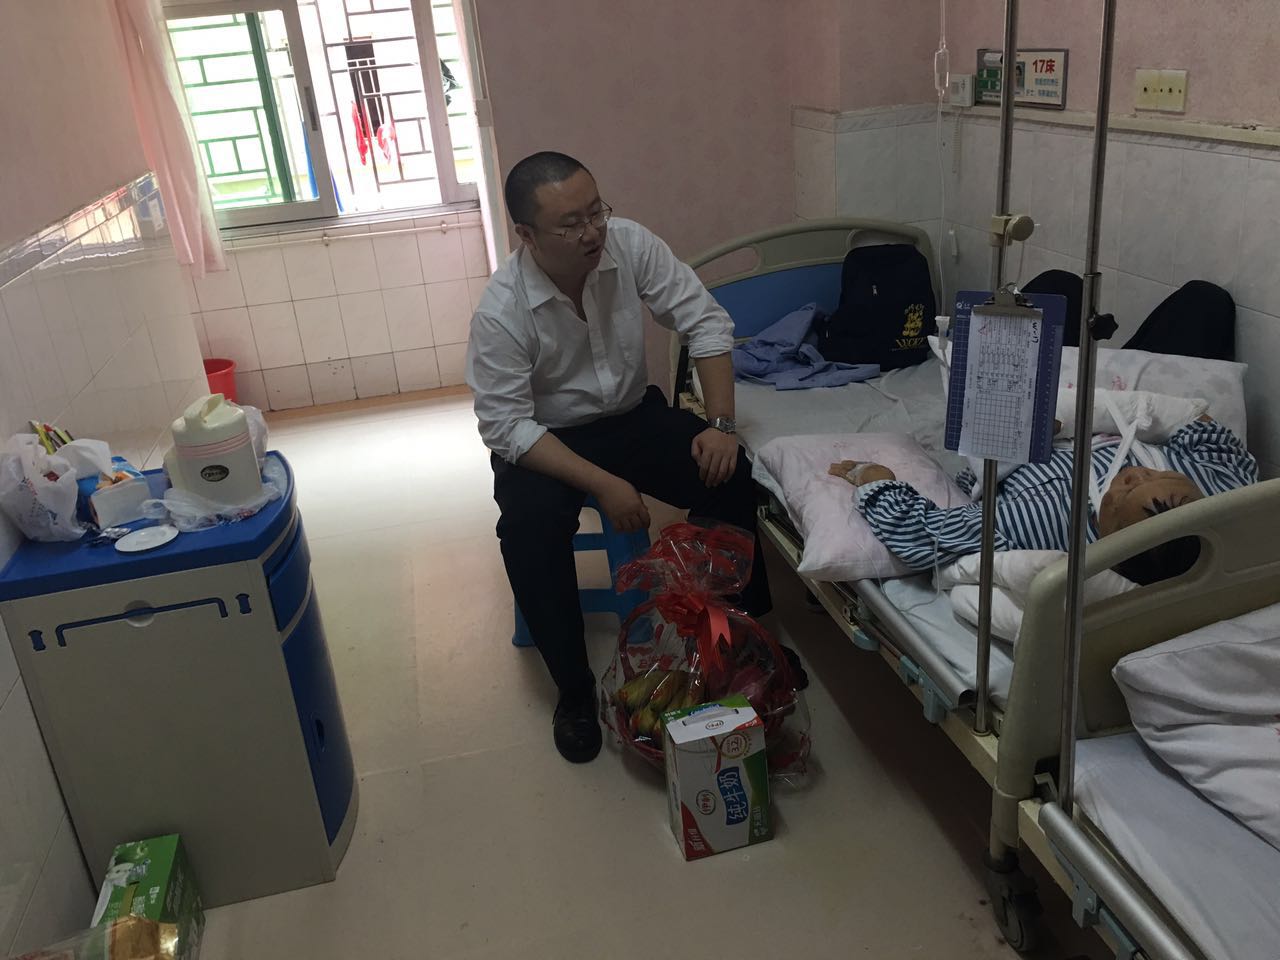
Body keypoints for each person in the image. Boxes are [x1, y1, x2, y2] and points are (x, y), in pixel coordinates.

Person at [466, 151, 771, 764]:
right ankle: (574, 690)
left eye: (595, 211)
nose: (591, 232)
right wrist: (605, 484)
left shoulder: (628, 244)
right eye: (570, 224)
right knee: (528, 529)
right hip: (546, 439)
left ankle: (742, 639)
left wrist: (720, 425)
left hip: (632, 416)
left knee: (732, 474)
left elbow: (705, 322)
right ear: (526, 235)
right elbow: (504, 425)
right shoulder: (503, 309)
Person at [832, 416, 1257, 584]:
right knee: (1204, 301)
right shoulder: (1224, 486)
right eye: (1161, 474)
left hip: (1027, 433)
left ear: (1110, 538)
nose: (1135, 473)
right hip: (1108, 414)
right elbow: (1203, 426)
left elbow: (919, 534)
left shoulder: (1041, 521)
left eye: (1125, 492)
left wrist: (876, 480)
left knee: (1046, 295)